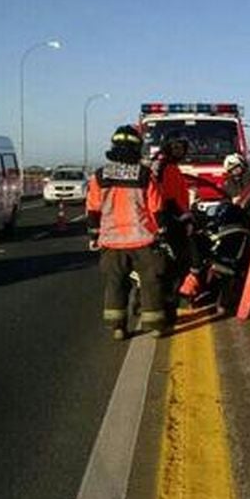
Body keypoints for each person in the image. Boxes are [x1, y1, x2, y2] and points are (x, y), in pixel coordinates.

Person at [86, 125, 167, 339]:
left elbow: (93, 209)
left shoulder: (99, 176)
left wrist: (94, 235)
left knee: (116, 282)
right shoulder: (144, 175)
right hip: (141, 238)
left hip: (111, 240)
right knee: (150, 281)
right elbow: (156, 207)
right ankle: (154, 325)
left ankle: (118, 327)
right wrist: (163, 232)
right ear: (137, 147)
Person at [151, 134, 193, 310]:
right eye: (175, 147)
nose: (180, 151)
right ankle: (171, 301)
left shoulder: (169, 166)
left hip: (170, 218)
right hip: (169, 220)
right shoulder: (164, 166)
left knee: (176, 262)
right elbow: (166, 198)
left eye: (182, 148)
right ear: (167, 147)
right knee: (179, 262)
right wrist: (185, 218)